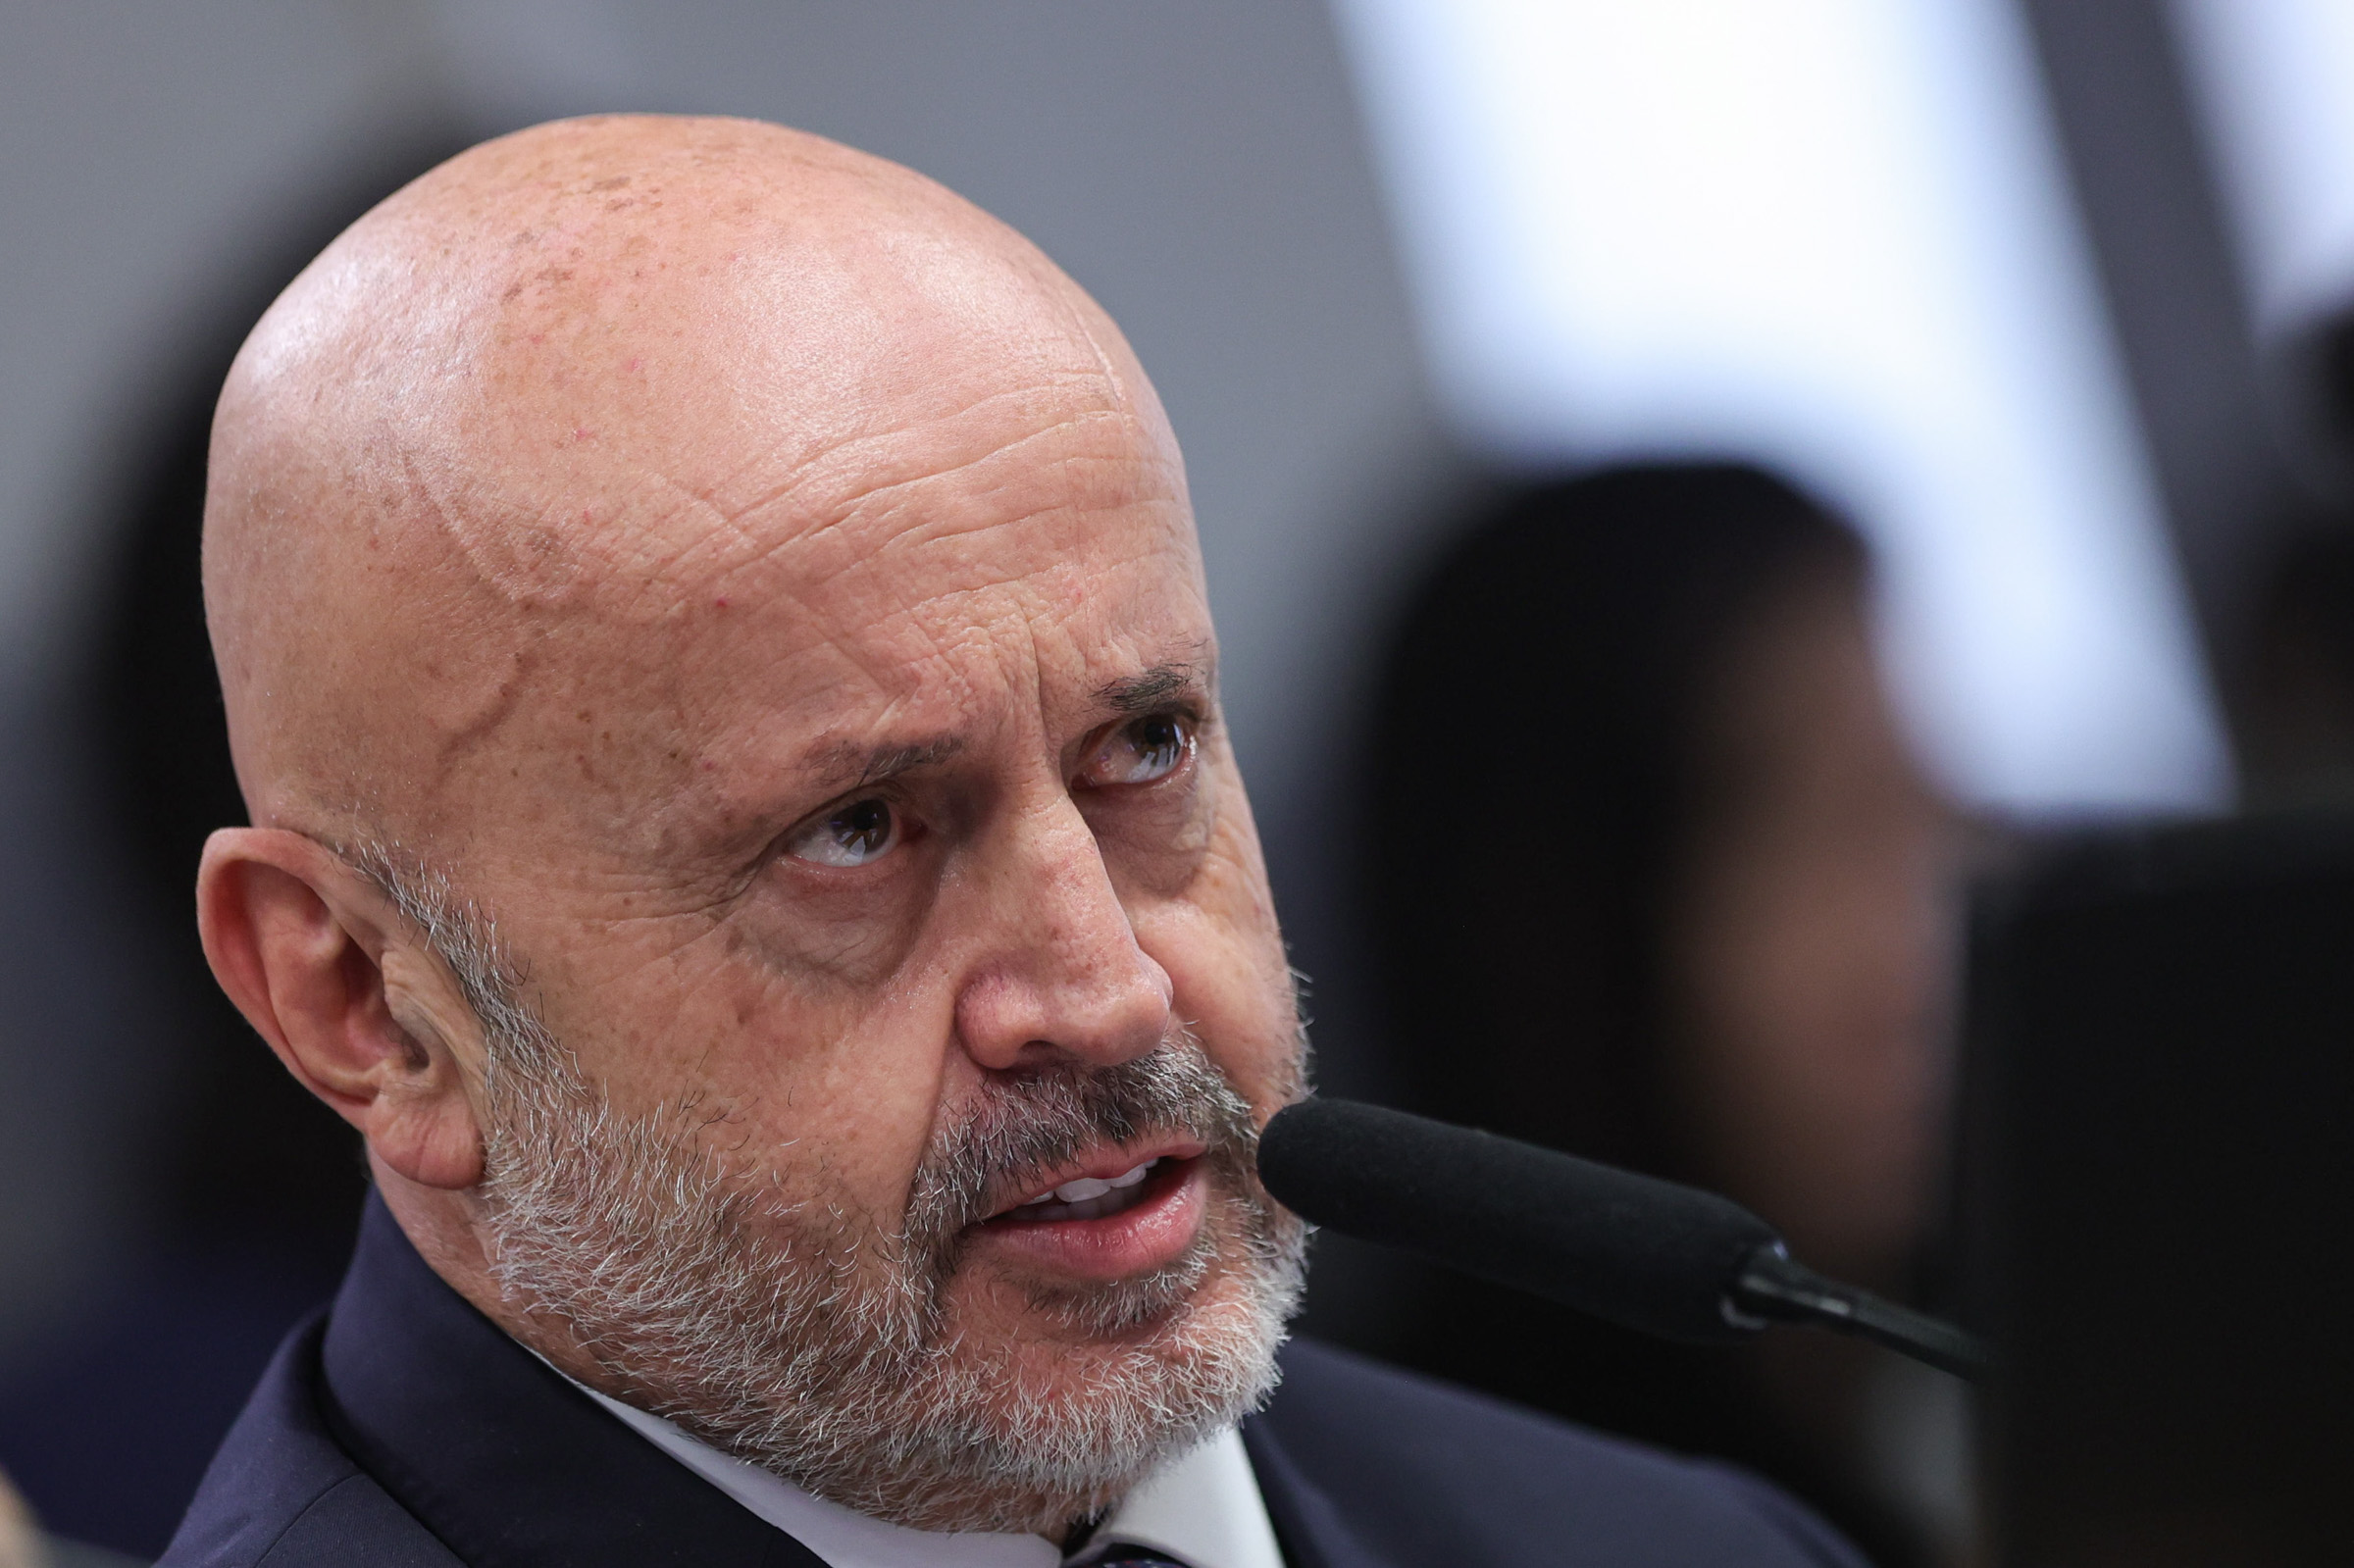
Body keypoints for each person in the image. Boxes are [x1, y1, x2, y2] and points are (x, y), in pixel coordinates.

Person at [160, 116, 1864, 1567]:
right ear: (363, 1000)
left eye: (1147, 746)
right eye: (856, 829)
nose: (1111, 991)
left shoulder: (1688, 1543)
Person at [1358, 469, 1959, 1565]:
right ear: (1561, 946)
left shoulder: (1991, 1374)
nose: (1920, 947)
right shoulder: (1467, 1514)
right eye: (1825, 831)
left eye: (1925, 805)